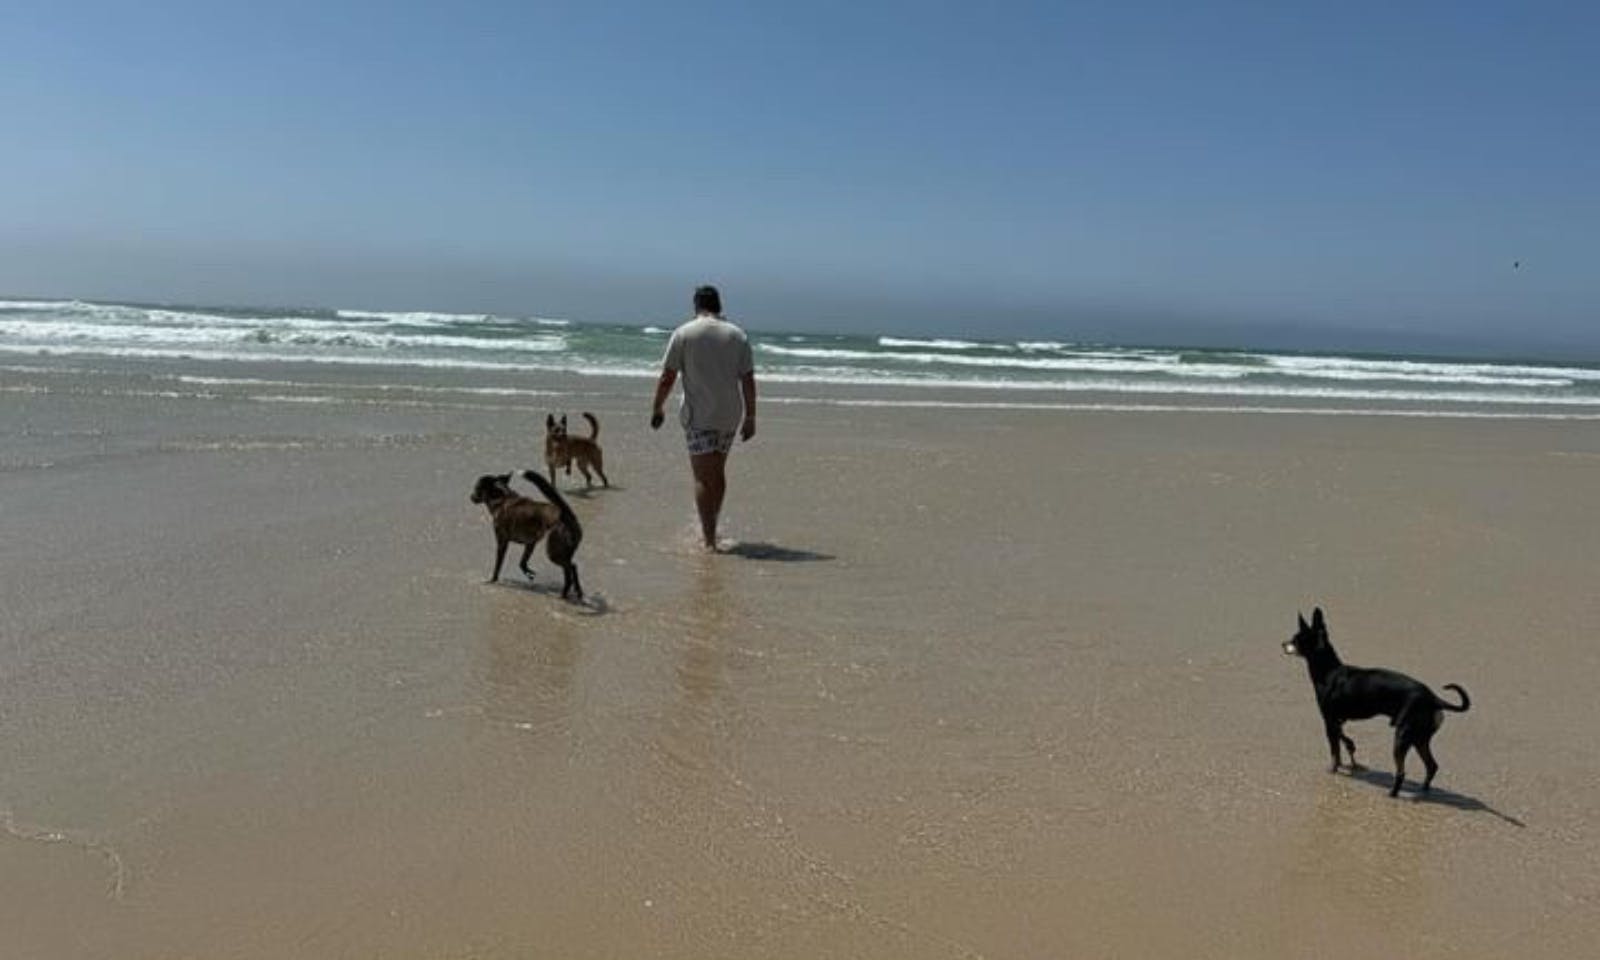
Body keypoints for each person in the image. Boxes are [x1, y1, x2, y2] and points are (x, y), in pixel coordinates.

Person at [650, 285, 757, 550]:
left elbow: (667, 377)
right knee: (717, 473)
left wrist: (657, 408)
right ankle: (713, 525)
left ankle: (708, 539)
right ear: (719, 305)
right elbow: (748, 379)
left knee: (702, 477)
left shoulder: (684, 333)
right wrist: (751, 416)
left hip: (699, 416)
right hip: (729, 414)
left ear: (696, 305)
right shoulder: (738, 335)